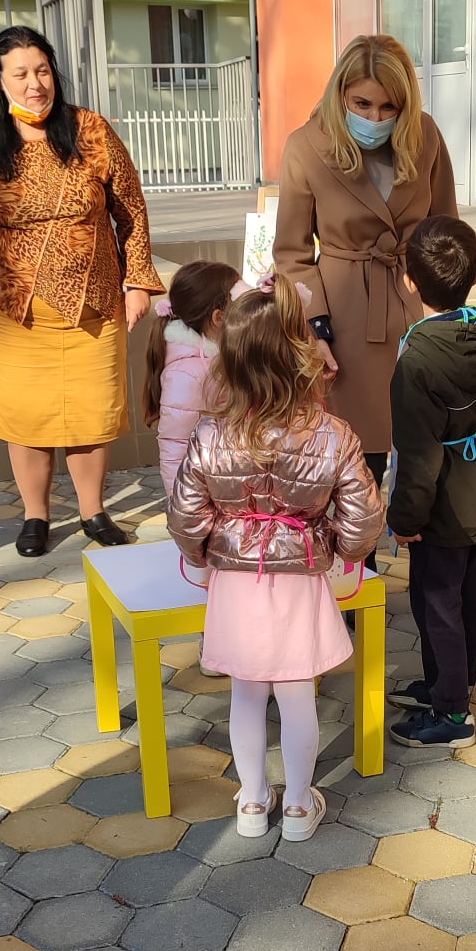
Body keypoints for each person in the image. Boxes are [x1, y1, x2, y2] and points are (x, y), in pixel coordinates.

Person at [167, 275, 382, 842]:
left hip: (236, 582)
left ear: (230, 359)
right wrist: (338, 550)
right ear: (299, 355)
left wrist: (207, 551)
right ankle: (300, 805)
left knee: (245, 692)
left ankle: (253, 801)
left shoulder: (210, 435)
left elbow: (185, 515)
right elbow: (363, 518)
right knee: (297, 693)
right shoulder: (333, 434)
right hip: (300, 576)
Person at [0, 26, 161, 557]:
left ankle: (92, 511)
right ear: (0, 80)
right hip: (12, 308)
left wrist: (137, 280)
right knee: (27, 415)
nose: (34, 84)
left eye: (42, 71)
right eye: (20, 73)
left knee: (91, 411)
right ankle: (35, 516)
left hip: (93, 301)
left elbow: (130, 208)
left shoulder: (91, 130)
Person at [273, 33, 459, 498]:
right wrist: (314, 331)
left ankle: (414, 536)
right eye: (363, 104)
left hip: (415, 305)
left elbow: (446, 228)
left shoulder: (425, 136)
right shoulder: (306, 147)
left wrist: (448, 308)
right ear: (341, 93)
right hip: (344, 317)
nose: (375, 118)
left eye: (388, 106)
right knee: (358, 456)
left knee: (424, 447)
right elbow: (292, 253)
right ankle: (358, 542)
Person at [387, 216, 476, 750]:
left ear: (409, 281)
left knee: (436, 605)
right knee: (465, 600)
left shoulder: (416, 360)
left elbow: (417, 456)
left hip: (437, 508)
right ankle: (448, 683)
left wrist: (404, 519)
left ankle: (454, 714)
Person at [142, 260, 239, 496]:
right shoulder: (187, 374)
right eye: (240, 301)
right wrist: (185, 508)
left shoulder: (216, 358)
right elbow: (177, 450)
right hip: (205, 500)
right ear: (219, 317)